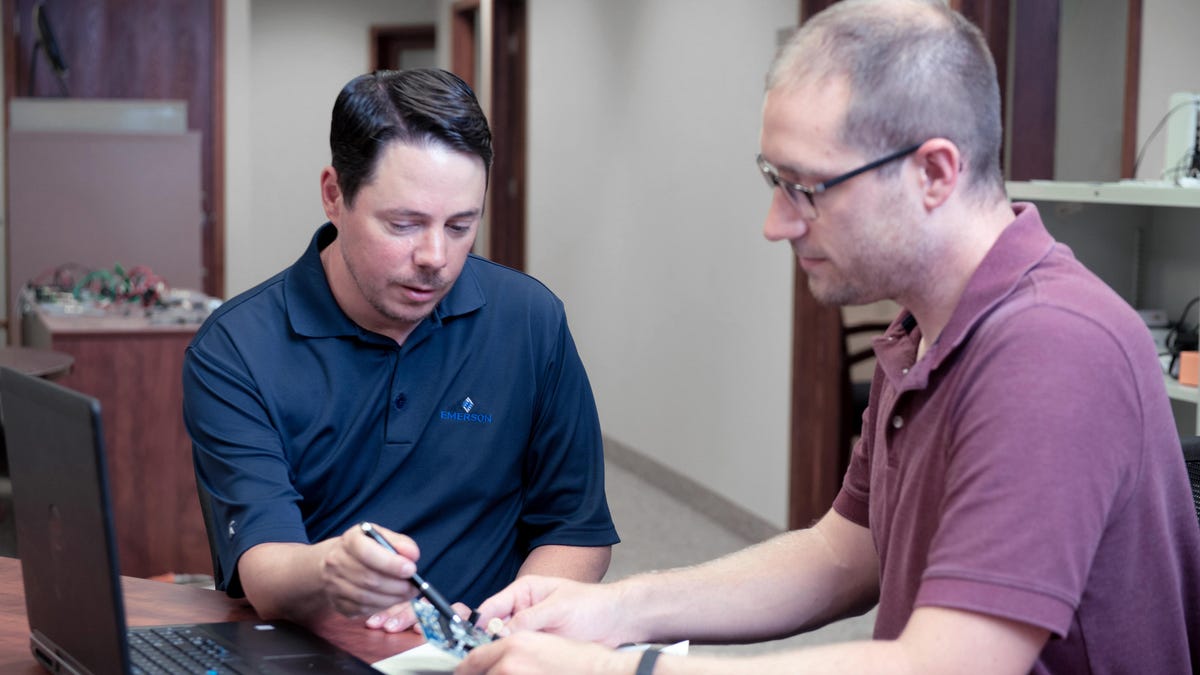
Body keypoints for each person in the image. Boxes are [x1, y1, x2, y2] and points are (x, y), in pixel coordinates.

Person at [457, 1, 1200, 672]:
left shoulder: (1051, 348)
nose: (776, 223)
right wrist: (617, 609)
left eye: (806, 189)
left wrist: (620, 670)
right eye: (773, 182)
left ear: (934, 172)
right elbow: (844, 552)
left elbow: (949, 665)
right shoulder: (921, 326)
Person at [182, 68, 618, 633]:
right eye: (405, 224)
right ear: (334, 196)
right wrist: (333, 568)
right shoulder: (236, 349)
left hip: (486, 650)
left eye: (461, 225)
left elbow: (575, 532)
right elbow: (265, 572)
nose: (436, 256)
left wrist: (503, 620)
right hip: (318, 651)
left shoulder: (531, 321)